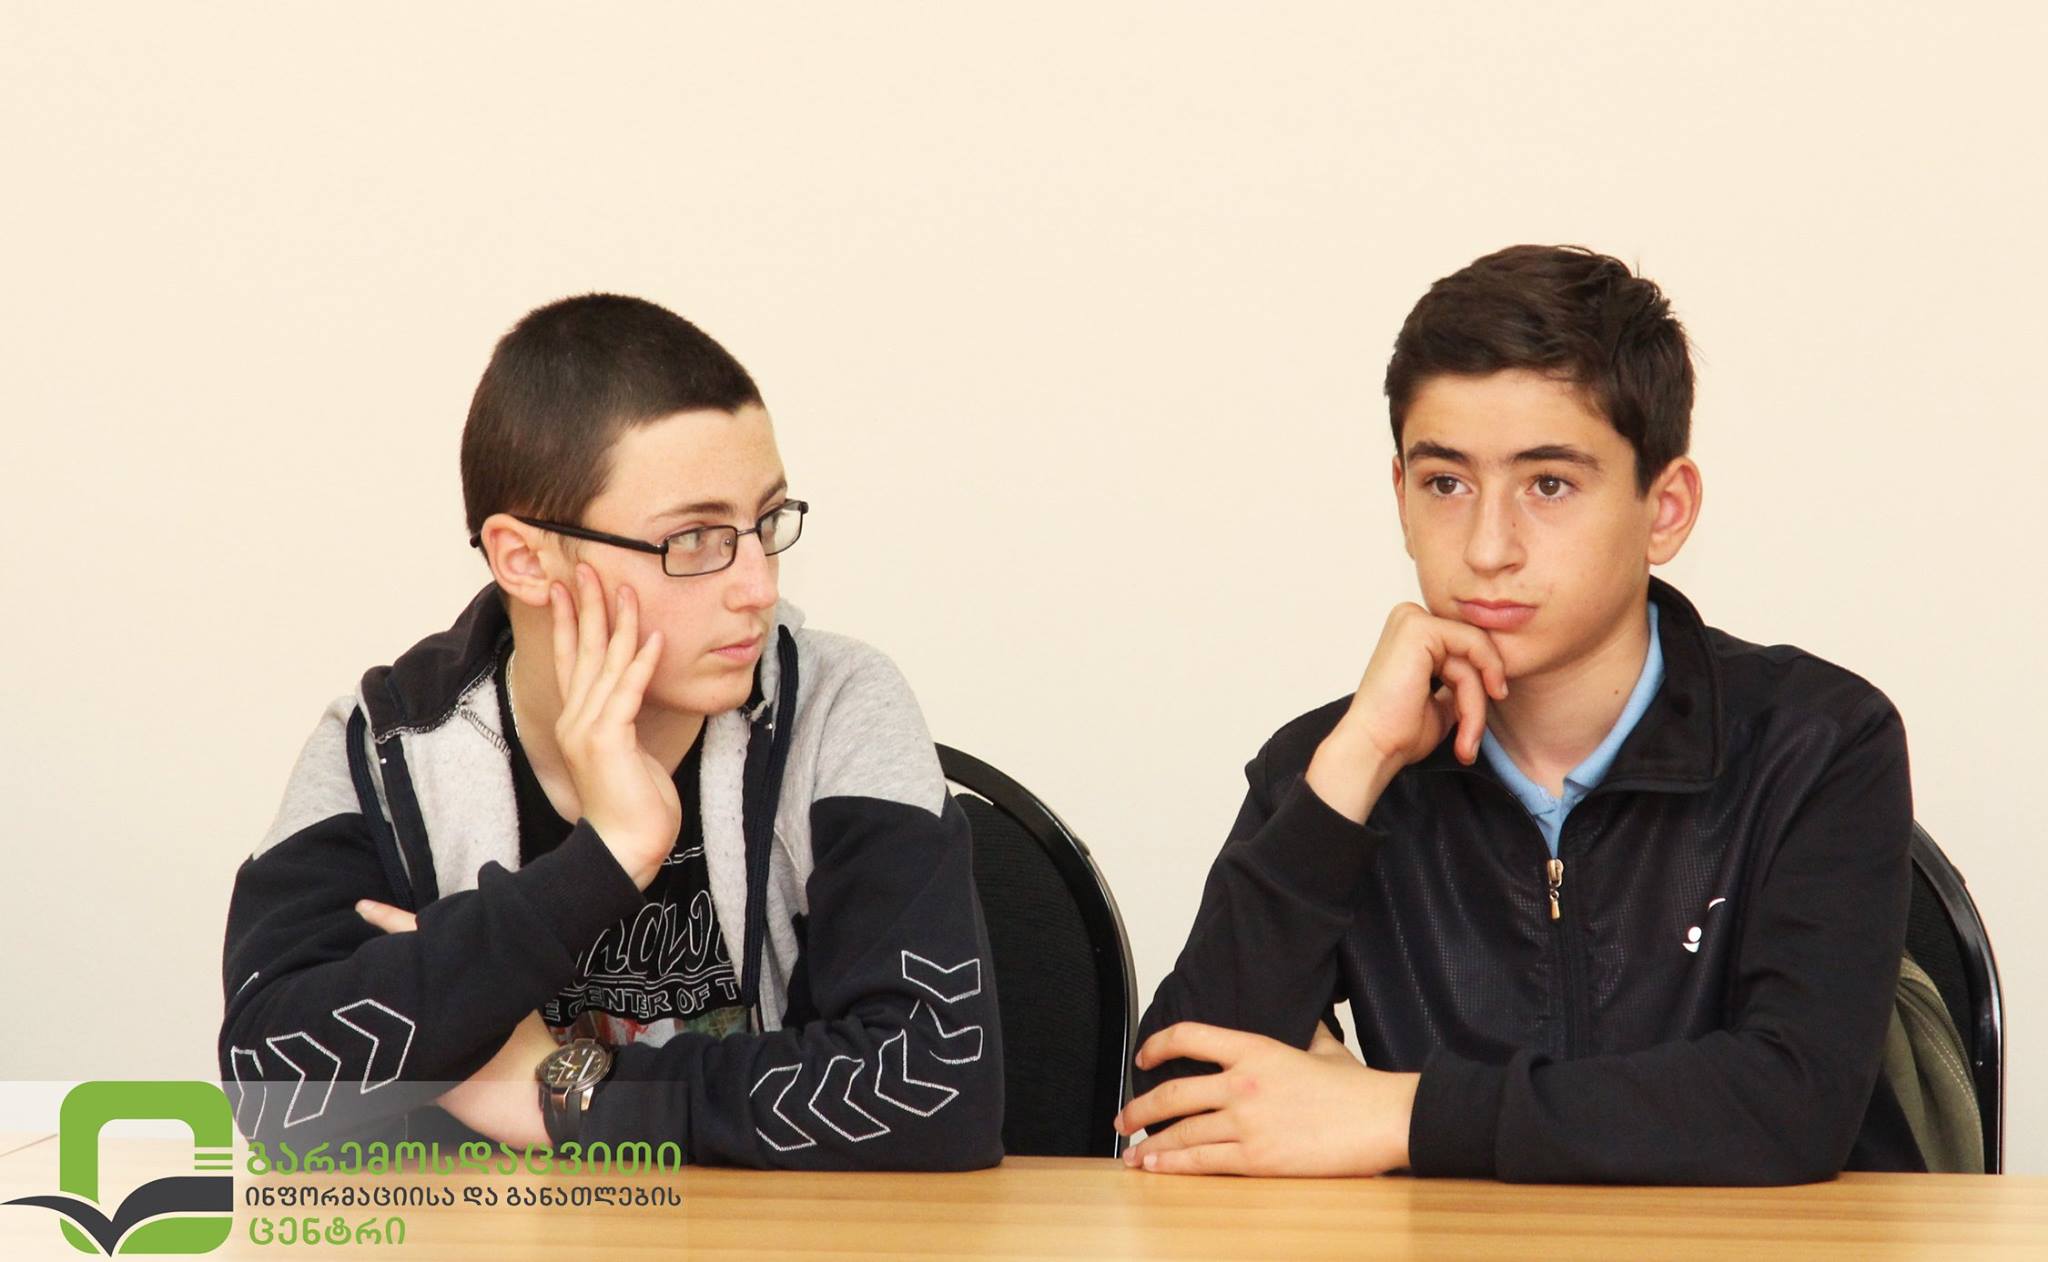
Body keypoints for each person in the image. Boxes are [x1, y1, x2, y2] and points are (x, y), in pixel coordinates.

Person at [1119, 245, 1922, 1183]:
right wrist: (1355, 765)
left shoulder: (1816, 741)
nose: (1488, 547)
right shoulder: (1334, 761)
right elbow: (1173, 1106)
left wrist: (1398, 1114)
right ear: (1400, 497)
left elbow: (1793, 1104)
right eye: (1446, 484)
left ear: (1665, 509)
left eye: (1548, 485)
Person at [218, 294, 1003, 1169]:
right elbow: (272, 1088)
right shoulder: (388, 749)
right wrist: (605, 859)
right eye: (694, 538)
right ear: (525, 558)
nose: (758, 586)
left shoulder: (836, 707)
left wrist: (569, 1096)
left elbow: (941, 1091)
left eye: (766, 522)